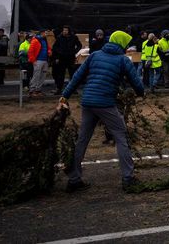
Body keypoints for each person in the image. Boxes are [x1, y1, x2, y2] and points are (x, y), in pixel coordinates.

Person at [58, 30, 145, 192]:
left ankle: (74, 179)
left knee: (83, 139)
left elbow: (77, 77)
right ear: (122, 44)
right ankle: (128, 178)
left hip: (88, 102)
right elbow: (136, 83)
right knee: (121, 135)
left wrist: (64, 96)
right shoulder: (122, 60)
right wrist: (141, 93)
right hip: (105, 103)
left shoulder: (95, 55)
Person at [51, 26, 83, 95]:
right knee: (61, 75)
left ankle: (73, 89)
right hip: (62, 58)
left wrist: (74, 51)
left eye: (66, 30)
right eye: (64, 30)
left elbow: (79, 45)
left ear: (69, 31)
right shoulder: (59, 38)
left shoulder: (74, 37)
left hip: (70, 58)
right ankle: (59, 89)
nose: (65, 31)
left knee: (72, 74)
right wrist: (57, 56)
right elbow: (54, 47)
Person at [27, 29, 51, 97]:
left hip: (45, 60)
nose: (46, 34)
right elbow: (30, 51)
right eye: (45, 33)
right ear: (42, 33)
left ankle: (38, 90)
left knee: (42, 76)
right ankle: (32, 90)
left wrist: (49, 51)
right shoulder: (35, 40)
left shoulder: (44, 40)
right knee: (36, 75)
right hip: (38, 60)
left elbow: (48, 48)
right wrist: (33, 61)